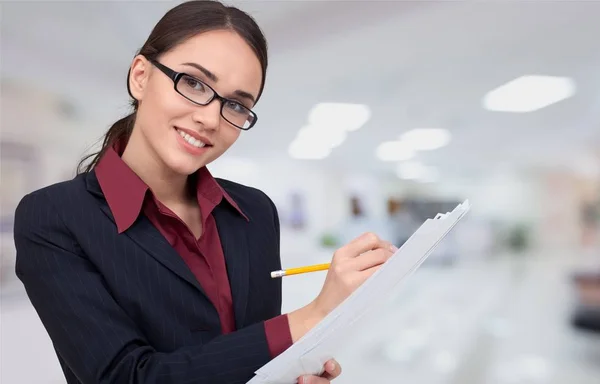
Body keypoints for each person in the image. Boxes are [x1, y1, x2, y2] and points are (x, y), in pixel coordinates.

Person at [12, 1, 396, 383]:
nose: (210, 118)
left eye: (235, 104)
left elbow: (252, 365)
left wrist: (292, 373)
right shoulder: (53, 218)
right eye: (194, 83)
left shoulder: (255, 212)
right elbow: (126, 377)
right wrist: (311, 317)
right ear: (140, 77)